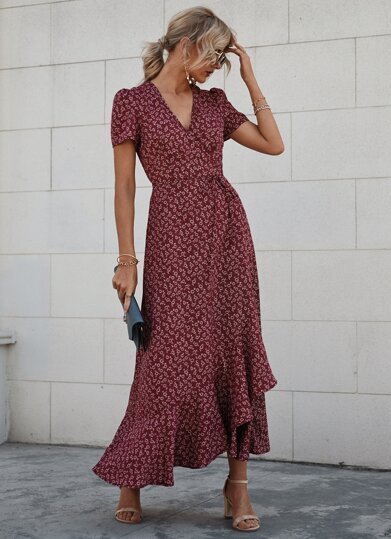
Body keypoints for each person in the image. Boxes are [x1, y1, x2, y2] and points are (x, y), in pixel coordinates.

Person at [92, 5, 284, 532]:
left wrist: (249, 77)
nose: (217, 66)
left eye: (224, 59)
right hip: (172, 240)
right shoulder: (131, 102)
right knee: (163, 361)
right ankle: (132, 476)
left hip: (227, 239)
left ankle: (237, 485)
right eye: (215, 55)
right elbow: (125, 187)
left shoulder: (216, 104)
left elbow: (274, 145)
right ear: (187, 45)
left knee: (232, 351)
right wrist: (127, 261)